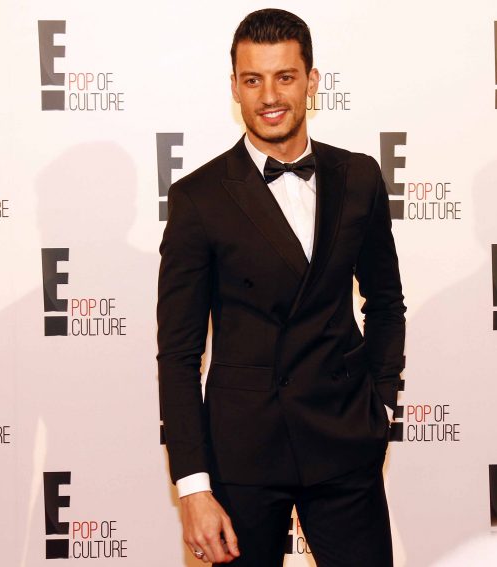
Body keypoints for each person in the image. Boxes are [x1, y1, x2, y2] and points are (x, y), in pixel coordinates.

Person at [157, 8, 406, 566]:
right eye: (253, 80)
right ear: (235, 88)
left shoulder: (359, 176)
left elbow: (387, 303)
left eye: (285, 77)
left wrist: (382, 404)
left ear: (311, 81)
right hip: (243, 455)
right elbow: (179, 353)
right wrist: (192, 486)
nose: (269, 96)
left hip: (344, 441)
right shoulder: (200, 198)